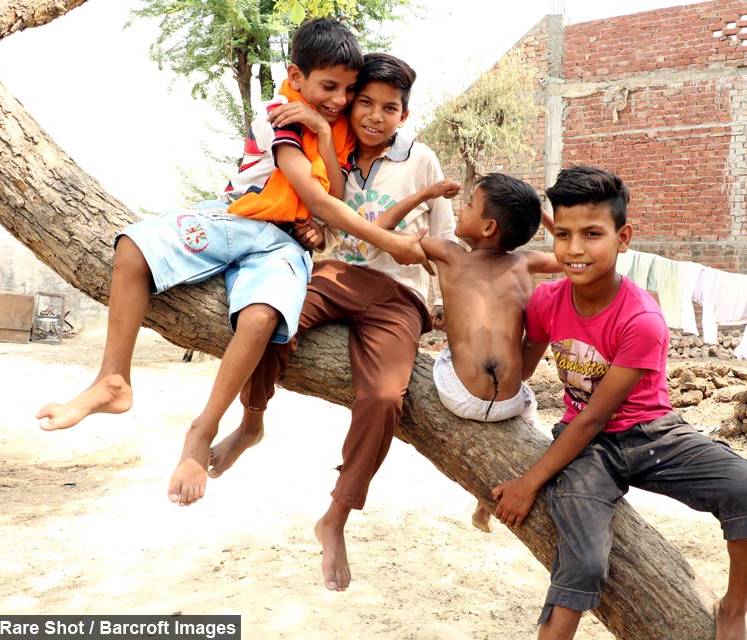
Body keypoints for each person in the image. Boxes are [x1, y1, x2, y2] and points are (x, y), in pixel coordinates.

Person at [35, 20, 429, 508]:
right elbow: (316, 197)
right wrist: (391, 242)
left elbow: (329, 196)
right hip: (235, 220)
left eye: (349, 90)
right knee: (134, 247)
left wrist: (326, 132)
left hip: (283, 246)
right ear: (296, 75)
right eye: (330, 87)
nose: (339, 99)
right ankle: (113, 379)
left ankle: (204, 427)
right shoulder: (280, 114)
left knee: (262, 316)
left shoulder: (337, 126)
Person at [206, 52, 459, 592]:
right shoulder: (333, 144)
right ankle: (252, 420)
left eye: (388, 108)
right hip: (336, 274)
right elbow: (316, 210)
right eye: (364, 101)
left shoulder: (423, 161)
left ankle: (336, 516)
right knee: (275, 316)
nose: (373, 115)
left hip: (400, 296)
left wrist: (448, 307)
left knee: (385, 397)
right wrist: (311, 232)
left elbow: (447, 241)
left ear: (404, 115)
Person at [491, 166, 747, 640]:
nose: (574, 249)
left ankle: (735, 607)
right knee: (581, 563)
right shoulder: (545, 302)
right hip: (588, 450)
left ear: (623, 238)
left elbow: (598, 415)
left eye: (592, 234)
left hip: (652, 433)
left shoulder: (642, 318)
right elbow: (518, 372)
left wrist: (529, 482)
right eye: (562, 235)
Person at [419, 173, 560, 533]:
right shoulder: (526, 262)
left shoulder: (446, 253)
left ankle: (483, 502)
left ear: (488, 226)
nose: (460, 209)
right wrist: (539, 212)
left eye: (468, 205)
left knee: (454, 343)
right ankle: (485, 504)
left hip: (457, 394)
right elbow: (571, 252)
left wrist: (426, 194)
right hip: (511, 401)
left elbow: (378, 233)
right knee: (530, 405)